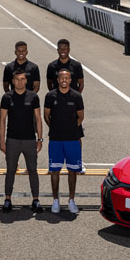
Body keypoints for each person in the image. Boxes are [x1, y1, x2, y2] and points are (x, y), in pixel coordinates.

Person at [0, 69, 43, 213]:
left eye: (22, 79)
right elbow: (2, 120)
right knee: (10, 170)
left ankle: (35, 200)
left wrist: (40, 139)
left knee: (32, 170)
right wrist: (2, 141)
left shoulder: (33, 96)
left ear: (26, 81)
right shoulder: (7, 97)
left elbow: (38, 118)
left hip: (29, 140)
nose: (19, 81)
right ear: (13, 81)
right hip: (12, 140)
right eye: (17, 79)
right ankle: (7, 199)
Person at [43, 68, 84, 214]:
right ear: (57, 80)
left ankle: (71, 200)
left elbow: (80, 116)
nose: (64, 80)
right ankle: (55, 200)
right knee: (55, 170)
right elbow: (46, 116)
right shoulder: (50, 96)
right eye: (61, 78)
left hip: (72, 140)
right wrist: (56, 128)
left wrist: (71, 129)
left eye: (67, 78)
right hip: (55, 140)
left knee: (73, 171)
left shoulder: (77, 96)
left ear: (70, 80)